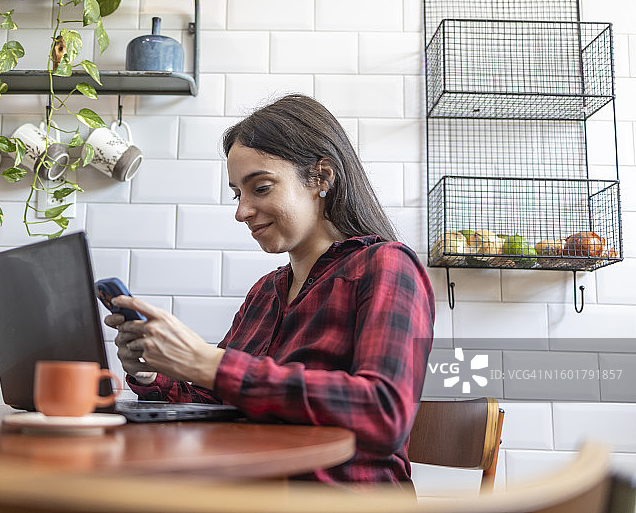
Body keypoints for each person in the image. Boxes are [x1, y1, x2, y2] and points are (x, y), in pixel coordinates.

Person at [104, 94, 435, 486]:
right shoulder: (265, 293)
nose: (241, 211)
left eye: (260, 188)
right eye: (237, 194)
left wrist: (210, 363)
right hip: (251, 493)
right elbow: (220, 403)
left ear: (322, 177)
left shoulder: (386, 266)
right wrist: (154, 375)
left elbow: (384, 413)